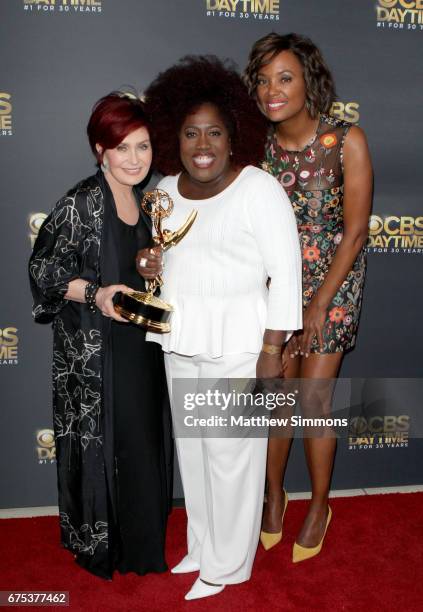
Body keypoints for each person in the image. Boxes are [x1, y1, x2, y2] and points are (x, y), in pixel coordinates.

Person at [137, 56, 302, 601]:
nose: (202, 143)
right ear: (174, 137)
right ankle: (203, 547)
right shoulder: (164, 188)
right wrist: (149, 263)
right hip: (181, 340)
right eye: (190, 132)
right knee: (195, 452)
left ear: (234, 137)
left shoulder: (258, 189)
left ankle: (229, 566)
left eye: (214, 132)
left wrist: (272, 349)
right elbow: (164, 255)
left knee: (232, 456)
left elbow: (287, 272)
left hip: (240, 346)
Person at [28, 91, 172, 579]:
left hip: (143, 347)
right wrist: (95, 295)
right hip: (96, 352)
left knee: (141, 439)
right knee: (107, 442)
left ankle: (144, 543)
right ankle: (105, 546)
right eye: (122, 147)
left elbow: (143, 268)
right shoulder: (80, 202)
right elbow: (43, 270)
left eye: (144, 146)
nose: (135, 159)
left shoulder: (150, 203)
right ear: (100, 150)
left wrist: (150, 266)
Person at [244, 33, 372, 561]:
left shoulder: (347, 141)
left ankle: (320, 504)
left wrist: (318, 303)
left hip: (333, 285)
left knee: (314, 404)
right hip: (276, 285)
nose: (271, 89)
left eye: (284, 77)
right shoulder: (258, 146)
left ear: (308, 82)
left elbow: (357, 231)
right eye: (263, 79)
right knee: (279, 403)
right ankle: (274, 494)